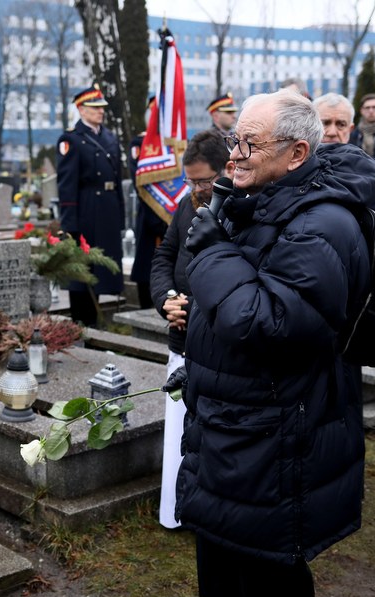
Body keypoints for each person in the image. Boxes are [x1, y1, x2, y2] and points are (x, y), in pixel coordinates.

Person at [167, 89, 375, 597]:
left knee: (263, 587)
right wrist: (198, 333)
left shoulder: (322, 223)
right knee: (221, 580)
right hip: (233, 435)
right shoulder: (256, 201)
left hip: (273, 447)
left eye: (250, 143)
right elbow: (241, 300)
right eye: (233, 139)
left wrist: (213, 249)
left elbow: (272, 322)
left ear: (297, 155)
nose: (234, 154)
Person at [148, 129, 229, 530]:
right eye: (190, 180)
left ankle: (203, 515)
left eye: (203, 180)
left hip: (215, 346)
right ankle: (175, 511)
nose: (196, 188)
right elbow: (164, 256)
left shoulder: (238, 210)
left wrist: (192, 309)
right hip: (180, 337)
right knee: (179, 429)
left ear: (226, 169)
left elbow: (236, 281)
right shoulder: (185, 206)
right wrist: (166, 300)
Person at [56, 83, 124, 326]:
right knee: (82, 270)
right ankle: (82, 320)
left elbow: (117, 181)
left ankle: (100, 318)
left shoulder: (108, 137)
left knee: (104, 267)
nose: (100, 111)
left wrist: (121, 216)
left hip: (108, 210)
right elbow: (66, 185)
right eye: (95, 108)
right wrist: (70, 224)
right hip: (86, 210)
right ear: (81, 109)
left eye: (102, 107)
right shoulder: (72, 140)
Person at [313, 92, 375, 216]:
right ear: (312, 126)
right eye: (325, 123)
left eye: (341, 124)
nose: (332, 132)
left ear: (350, 129)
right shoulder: (294, 165)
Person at [128, 96, 168, 309]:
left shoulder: (175, 143)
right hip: (151, 216)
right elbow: (140, 182)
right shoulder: (140, 144)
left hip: (172, 216)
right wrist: (157, 218)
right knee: (148, 265)